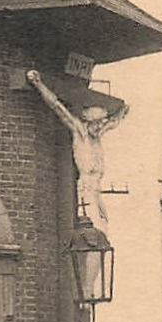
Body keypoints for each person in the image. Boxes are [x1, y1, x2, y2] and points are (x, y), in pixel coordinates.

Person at [25, 69, 126, 228]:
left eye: (102, 122)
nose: (101, 126)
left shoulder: (96, 136)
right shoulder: (80, 132)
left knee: (104, 228)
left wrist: (122, 110)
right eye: (98, 122)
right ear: (89, 120)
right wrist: (38, 84)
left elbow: (115, 121)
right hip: (85, 193)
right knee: (92, 232)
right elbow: (57, 107)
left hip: (97, 193)